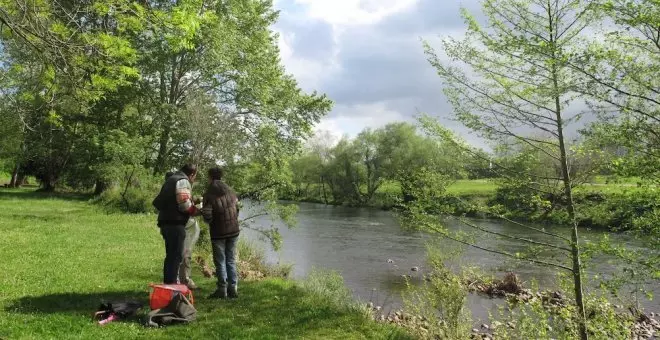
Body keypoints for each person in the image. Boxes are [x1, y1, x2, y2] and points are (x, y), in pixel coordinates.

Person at [152, 164, 199, 284]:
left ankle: (168, 284)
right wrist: (197, 211)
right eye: (195, 176)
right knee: (176, 256)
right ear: (192, 174)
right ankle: (172, 285)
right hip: (175, 224)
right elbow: (184, 204)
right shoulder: (183, 181)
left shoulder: (172, 179)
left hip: (166, 222)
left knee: (170, 256)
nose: (194, 179)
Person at [201, 167, 240, 299]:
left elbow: (207, 214)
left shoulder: (209, 193)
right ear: (221, 176)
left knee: (220, 261)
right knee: (231, 260)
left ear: (210, 176)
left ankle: (222, 290)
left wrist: (209, 221)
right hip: (234, 230)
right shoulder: (231, 191)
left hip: (218, 232)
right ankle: (233, 289)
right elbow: (237, 209)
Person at [164, 171, 201, 290]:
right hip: (182, 227)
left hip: (171, 227)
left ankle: (172, 282)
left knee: (173, 255)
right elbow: (185, 208)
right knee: (182, 254)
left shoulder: (168, 193)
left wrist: (194, 202)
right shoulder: (178, 190)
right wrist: (196, 210)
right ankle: (180, 281)